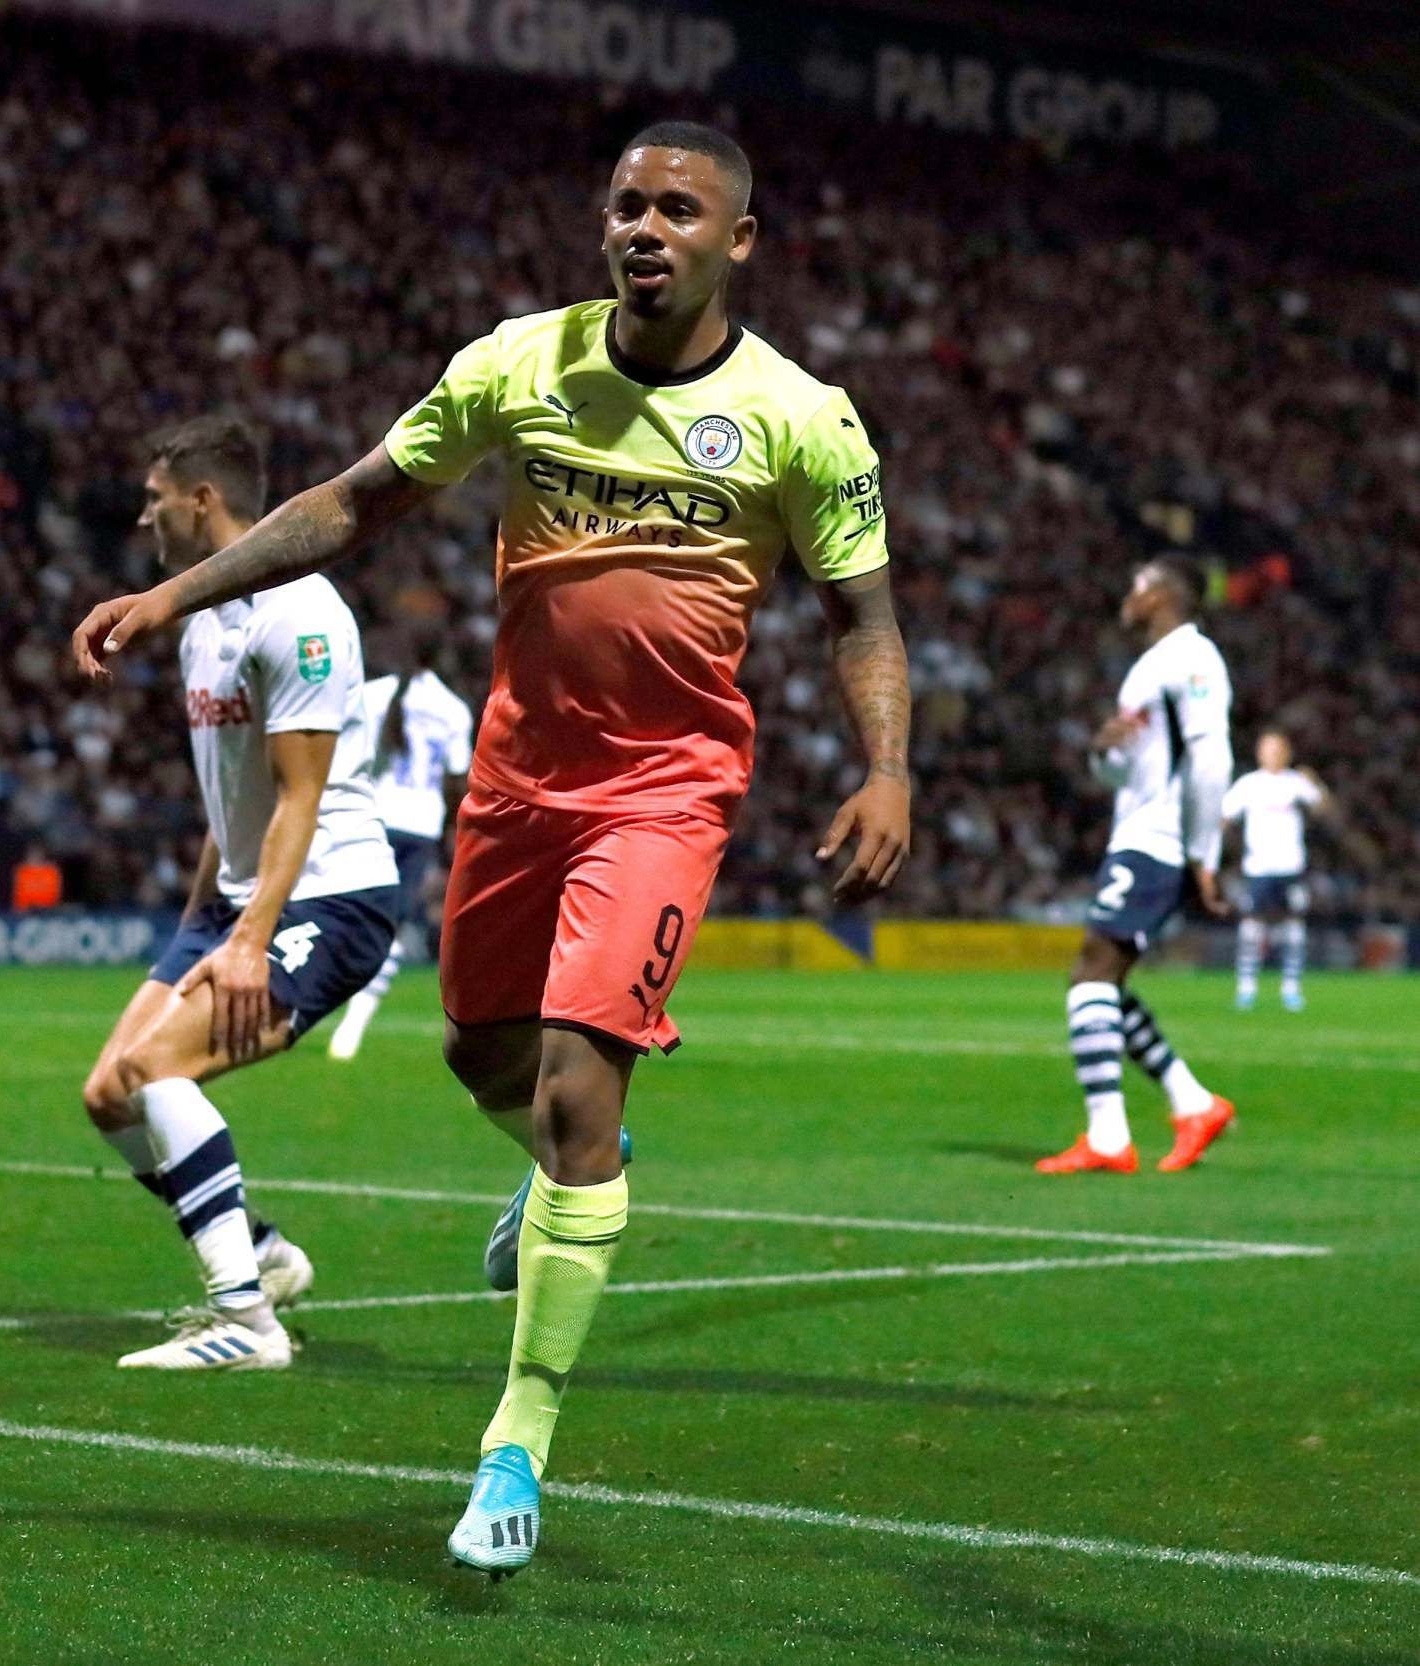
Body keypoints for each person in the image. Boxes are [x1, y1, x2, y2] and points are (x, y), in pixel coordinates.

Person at [73, 124, 912, 1577]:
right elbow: (349, 503)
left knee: (583, 1085)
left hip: (665, 790)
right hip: (518, 781)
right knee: (481, 1051)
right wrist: (177, 592)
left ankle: (514, 1442)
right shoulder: (518, 366)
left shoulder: (802, 419)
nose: (644, 227)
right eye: (626, 205)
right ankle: (561, 1163)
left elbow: (864, 615)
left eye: (679, 209)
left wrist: (888, 767)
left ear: (739, 240)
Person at [79, 415, 400, 1373]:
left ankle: (245, 1320)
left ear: (202, 500)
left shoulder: (297, 613)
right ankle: (259, 1251)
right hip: (233, 899)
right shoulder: (198, 623)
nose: (145, 520)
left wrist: (251, 939)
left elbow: (301, 798)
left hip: (328, 898)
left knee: (158, 1074)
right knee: (108, 1095)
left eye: (153, 500)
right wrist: (200, 918)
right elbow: (234, 793)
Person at [1039, 558, 1237, 1178]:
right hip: (1139, 833)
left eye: (1135, 584)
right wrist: (1103, 754)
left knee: (1089, 976)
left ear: (1158, 594)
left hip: (1162, 841)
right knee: (1106, 982)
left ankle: (1109, 1135)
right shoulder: (1148, 669)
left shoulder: (1194, 658)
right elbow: (1131, 771)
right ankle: (1194, 1103)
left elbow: (1211, 760)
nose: (1127, 594)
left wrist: (1205, 855)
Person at [326, 634, 474, 1060]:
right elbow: (456, 776)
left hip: (372, 815)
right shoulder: (454, 710)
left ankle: (323, 999)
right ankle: (355, 1022)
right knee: (388, 925)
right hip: (421, 827)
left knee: (349, 911)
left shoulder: (374, 695)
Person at [1222, 732, 1329, 1012]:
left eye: (1277, 749)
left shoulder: (1296, 782)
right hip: (1258, 867)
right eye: (1267, 749)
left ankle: (1291, 989)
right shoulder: (1248, 785)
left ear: (1287, 753)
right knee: (1252, 925)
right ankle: (1246, 988)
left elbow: (1323, 809)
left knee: (1293, 925)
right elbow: (1225, 817)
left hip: (1290, 866)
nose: (1272, 755)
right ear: (1259, 753)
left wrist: (1315, 783)